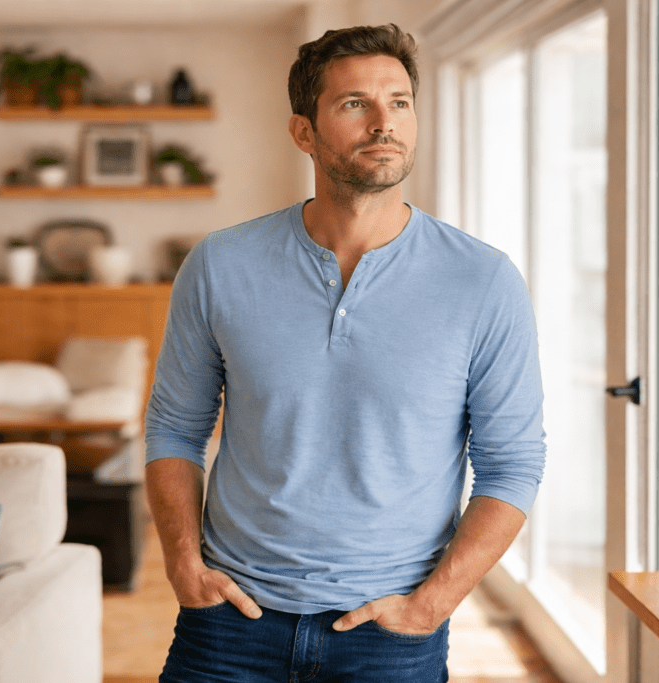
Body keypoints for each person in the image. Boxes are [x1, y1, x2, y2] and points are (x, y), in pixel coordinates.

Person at [145, 23, 546, 683]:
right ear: (304, 131)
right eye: (355, 103)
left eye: (400, 101)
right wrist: (183, 562)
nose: (384, 121)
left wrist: (431, 605)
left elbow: (512, 465)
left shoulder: (483, 279)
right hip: (228, 623)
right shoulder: (219, 264)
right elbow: (174, 427)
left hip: (387, 633)